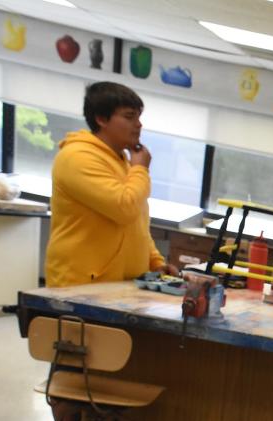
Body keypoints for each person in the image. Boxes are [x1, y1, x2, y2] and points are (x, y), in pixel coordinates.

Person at [45, 81, 177, 288]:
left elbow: (136, 225)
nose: (139, 124)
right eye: (129, 117)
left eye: (139, 117)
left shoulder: (122, 161)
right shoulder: (77, 157)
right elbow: (124, 208)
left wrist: (155, 262)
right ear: (101, 119)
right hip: (81, 286)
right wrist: (141, 169)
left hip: (120, 286)